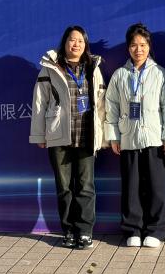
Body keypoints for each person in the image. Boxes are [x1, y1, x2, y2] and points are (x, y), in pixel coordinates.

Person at [29, 26, 107, 249]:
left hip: (86, 136)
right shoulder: (50, 68)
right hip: (58, 135)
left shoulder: (93, 67)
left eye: (80, 41)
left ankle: (85, 231)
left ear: (86, 44)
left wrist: (103, 136)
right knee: (64, 188)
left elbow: (101, 104)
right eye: (72, 40)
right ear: (64, 43)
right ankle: (69, 231)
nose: (76, 44)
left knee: (85, 186)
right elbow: (39, 103)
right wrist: (39, 134)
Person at [105, 23, 165, 249]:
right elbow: (111, 107)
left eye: (143, 45)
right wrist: (114, 136)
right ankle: (133, 229)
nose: (139, 50)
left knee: (156, 187)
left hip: (154, 138)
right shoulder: (120, 75)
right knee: (131, 187)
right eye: (134, 45)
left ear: (149, 46)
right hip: (128, 138)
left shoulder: (159, 73)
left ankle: (156, 230)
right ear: (128, 48)